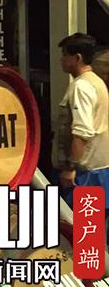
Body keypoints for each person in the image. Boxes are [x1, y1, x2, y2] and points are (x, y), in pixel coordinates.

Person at [55, 33, 109, 243]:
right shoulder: (96, 82)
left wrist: (70, 167)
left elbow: (82, 132)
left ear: (77, 58)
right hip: (99, 171)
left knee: (85, 238)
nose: (61, 60)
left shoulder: (81, 86)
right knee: (93, 236)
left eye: (64, 55)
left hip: (85, 174)